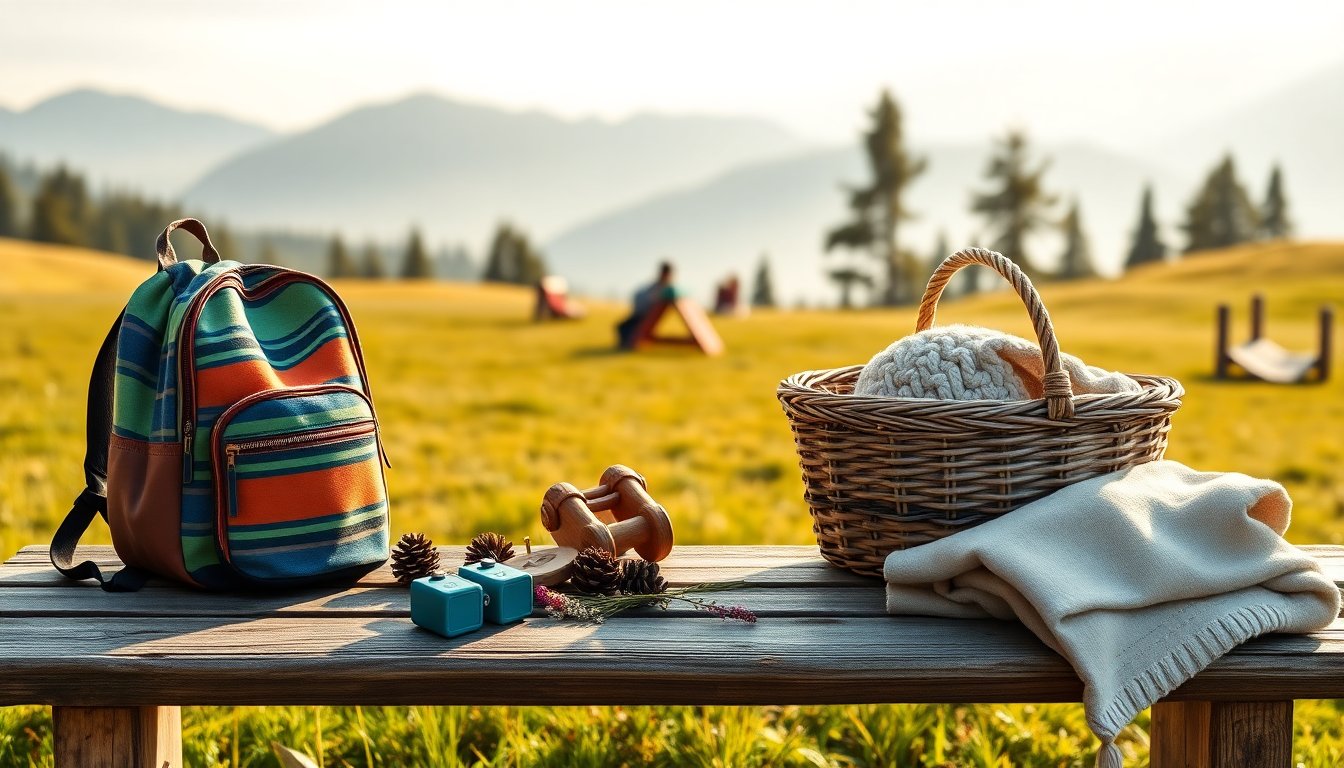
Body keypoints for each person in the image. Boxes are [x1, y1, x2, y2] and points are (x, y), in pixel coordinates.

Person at [616, 261, 676, 349]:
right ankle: (626, 344)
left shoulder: (664, 287)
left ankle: (626, 345)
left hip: (644, 315)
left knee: (624, 327)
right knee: (623, 326)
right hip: (644, 314)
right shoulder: (660, 286)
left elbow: (647, 299)